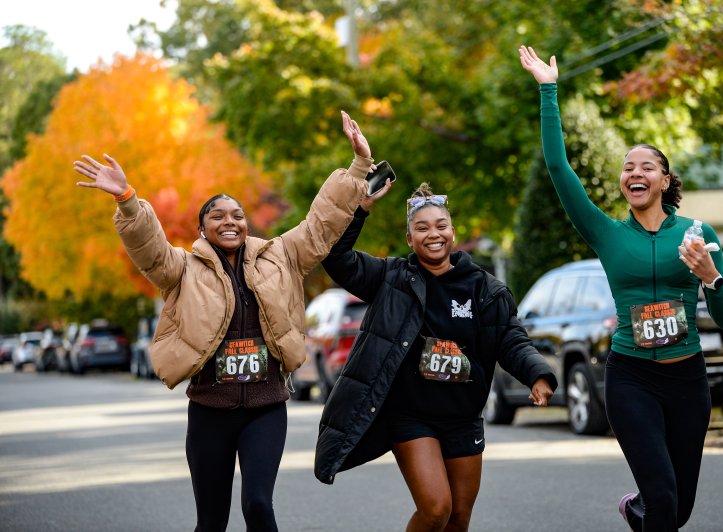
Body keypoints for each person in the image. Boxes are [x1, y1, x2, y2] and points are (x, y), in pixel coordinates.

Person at [72, 111, 373, 532]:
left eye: (236, 215)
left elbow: (321, 224)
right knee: (211, 521)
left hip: (266, 406)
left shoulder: (281, 255)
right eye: (218, 216)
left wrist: (358, 166)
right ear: (201, 229)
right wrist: (127, 200)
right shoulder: (181, 268)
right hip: (209, 409)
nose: (229, 221)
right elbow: (150, 250)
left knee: (257, 505)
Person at [518, 45, 723, 531]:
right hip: (631, 378)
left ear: (664, 180)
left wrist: (710, 278)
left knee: (677, 509)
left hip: (687, 380)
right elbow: (559, 168)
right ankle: (647, 507)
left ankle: (635, 511)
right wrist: (549, 91)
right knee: (662, 497)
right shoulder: (606, 233)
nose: (634, 172)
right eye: (627, 168)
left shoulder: (698, 235)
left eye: (646, 167)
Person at [314, 179, 557, 531]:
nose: (433, 234)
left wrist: (538, 374)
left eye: (441, 226)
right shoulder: (390, 278)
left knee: (459, 518)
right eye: (422, 228)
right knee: (436, 509)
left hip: (463, 416)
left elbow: (511, 339)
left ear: (453, 234)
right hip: (411, 416)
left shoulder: (486, 289)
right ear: (410, 239)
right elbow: (336, 258)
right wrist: (360, 209)